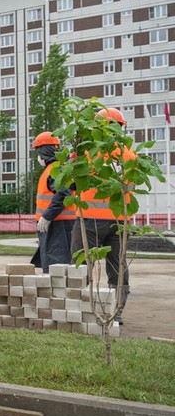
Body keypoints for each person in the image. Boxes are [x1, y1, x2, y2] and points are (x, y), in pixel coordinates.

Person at [70, 108, 136, 324]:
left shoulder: (86, 152)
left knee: (79, 266)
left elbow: (72, 182)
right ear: (121, 128)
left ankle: (75, 309)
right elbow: (131, 187)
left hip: (88, 220)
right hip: (119, 222)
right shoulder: (129, 154)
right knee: (118, 269)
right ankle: (116, 313)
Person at [32, 132, 76, 273]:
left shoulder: (56, 170)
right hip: (57, 224)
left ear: (43, 151)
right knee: (56, 265)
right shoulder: (57, 168)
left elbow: (63, 193)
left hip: (57, 225)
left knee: (56, 266)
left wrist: (47, 217)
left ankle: (58, 294)